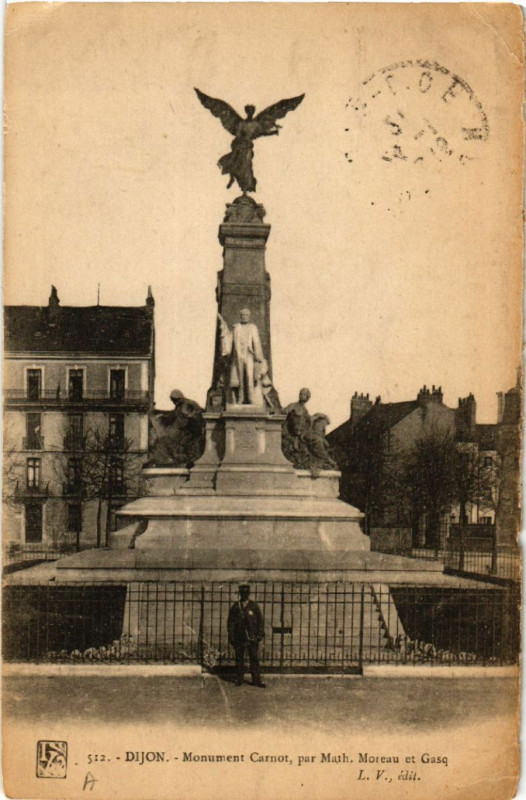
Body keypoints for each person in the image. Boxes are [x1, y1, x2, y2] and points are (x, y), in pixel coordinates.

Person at [218, 308, 268, 405]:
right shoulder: (236, 327)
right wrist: (223, 331)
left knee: (250, 377)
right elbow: (229, 340)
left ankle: (251, 398)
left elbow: (257, 342)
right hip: (238, 356)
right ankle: (240, 399)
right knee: (240, 378)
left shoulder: (253, 327)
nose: (244, 317)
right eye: (242, 315)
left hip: (249, 355)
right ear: (240, 316)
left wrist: (259, 357)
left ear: (249, 317)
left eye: (246, 315)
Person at [227, 584, 266, 687]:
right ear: (240, 594)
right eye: (242, 593)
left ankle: (256, 680)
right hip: (239, 637)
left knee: (254, 658)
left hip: (252, 637)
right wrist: (231, 636)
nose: (244, 595)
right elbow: (230, 622)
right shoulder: (236, 607)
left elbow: (260, 621)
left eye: (246, 593)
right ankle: (239, 679)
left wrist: (260, 634)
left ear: (249, 594)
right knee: (239, 658)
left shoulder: (254, 606)